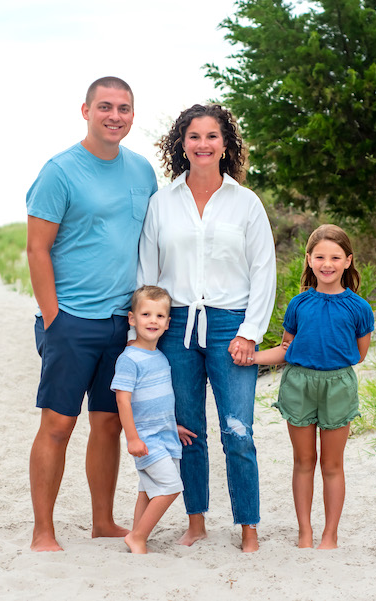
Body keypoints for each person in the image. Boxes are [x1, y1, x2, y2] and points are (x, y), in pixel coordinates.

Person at [25, 76, 158, 552]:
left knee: (108, 424)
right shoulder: (60, 171)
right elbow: (37, 250)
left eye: (123, 108)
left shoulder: (143, 171)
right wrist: (54, 318)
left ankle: (103, 520)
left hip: (122, 323)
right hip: (71, 320)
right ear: (85, 111)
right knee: (58, 425)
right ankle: (44, 531)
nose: (114, 116)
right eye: (105, 106)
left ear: (132, 115)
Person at [138, 103, 276, 553]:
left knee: (238, 430)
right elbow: (148, 275)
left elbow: (263, 272)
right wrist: (148, 336)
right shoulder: (162, 202)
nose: (202, 144)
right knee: (188, 427)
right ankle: (196, 522)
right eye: (193, 136)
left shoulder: (246, 203)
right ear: (182, 144)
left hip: (230, 325)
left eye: (212, 136)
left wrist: (250, 332)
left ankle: (248, 527)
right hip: (175, 326)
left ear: (225, 144)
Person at [253, 224, 374, 550]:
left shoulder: (359, 308)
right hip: (299, 384)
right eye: (319, 256)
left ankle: (329, 535)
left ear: (348, 261)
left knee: (332, 464)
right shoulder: (298, 304)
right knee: (303, 461)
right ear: (309, 259)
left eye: (335, 257)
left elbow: (359, 355)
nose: (327, 263)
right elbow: (286, 349)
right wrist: (251, 357)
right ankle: (304, 531)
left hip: (338, 386)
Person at [111, 286, 188, 554]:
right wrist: (132, 437)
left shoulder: (161, 357)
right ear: (132, 319)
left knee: (148, 488)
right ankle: (139, 536)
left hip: (165, 433)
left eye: (159, 316)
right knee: (170, 486)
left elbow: (159, 398)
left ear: (168, 323)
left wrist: (172, 424)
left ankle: (136, 534)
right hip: (145, 437)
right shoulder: (129, 358)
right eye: (145, 314)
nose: (152, 320)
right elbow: (123, 400)